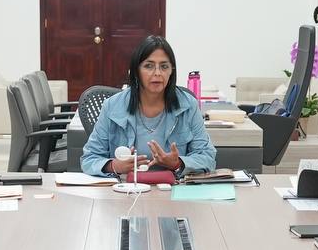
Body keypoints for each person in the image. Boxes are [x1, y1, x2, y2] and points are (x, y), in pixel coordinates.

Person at [81, 34, 217, 178]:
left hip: (173, 192)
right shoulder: (112, 106)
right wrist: (115, 166)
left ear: (171, 71)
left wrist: (178, 164)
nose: (157, 73)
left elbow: (208, 157)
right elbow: (89, 159)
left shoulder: (188, 105)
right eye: (149, 66)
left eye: (164, 66)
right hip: (126, 192)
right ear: (136, 71)